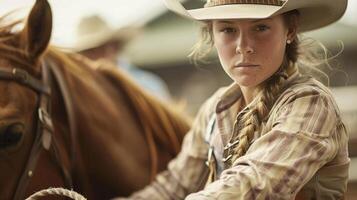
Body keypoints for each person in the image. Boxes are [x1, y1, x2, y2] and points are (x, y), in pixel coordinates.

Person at [115, 0, 350, 199]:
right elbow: (172, 187)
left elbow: (255, 183)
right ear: (212, 34)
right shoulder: (215, 108)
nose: (243, 47)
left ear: (290, 30)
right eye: (228, 30)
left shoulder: (311, 103)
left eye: (260, 28)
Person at [73, 15, 172, 101]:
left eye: (106, 47)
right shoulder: (76, 93)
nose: (103, 54)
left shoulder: (147, 85)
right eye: (92, 50)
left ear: (115, 47)